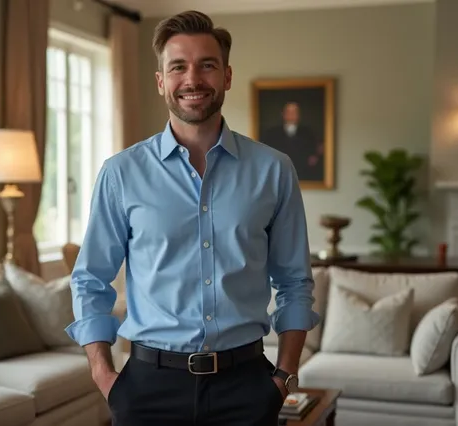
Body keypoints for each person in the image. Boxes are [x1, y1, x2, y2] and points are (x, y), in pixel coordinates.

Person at [66, 10, 320, 426]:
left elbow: (294, 281)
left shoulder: (274, 170)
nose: (193, 79)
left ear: (227, 75)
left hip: (247, 389)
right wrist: (103, 372)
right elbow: (90, 278)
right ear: (161, 81)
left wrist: (285, 374)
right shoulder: (121, 173)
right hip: (147, 389)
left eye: (207, 65)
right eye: (178, 67)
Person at [261, 102, 324, 182]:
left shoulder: (309, 133)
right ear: (283, 114)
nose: (292, 114)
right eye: (289, 112)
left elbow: (317, 149)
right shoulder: (271, 133)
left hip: (303, 172)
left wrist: (315, 157)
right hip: (279, 172)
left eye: (294, 112)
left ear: (299, 114)